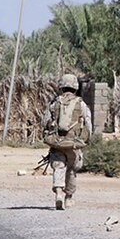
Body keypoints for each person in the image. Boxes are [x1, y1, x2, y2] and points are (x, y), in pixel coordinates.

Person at [42, 74, 92, 210]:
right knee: (71, 171)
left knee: (58, 166)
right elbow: (88, 123)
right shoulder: (80, 104)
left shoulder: (54, 103)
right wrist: (86, 140)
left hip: (57, 143)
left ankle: (58, 192)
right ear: (75, 87)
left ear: (61, 86)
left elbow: (44, 122)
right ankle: (68, 198)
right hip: (74, 143)